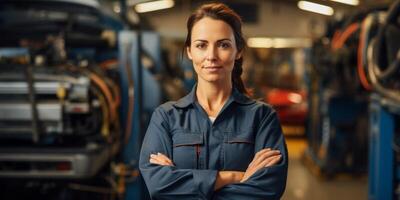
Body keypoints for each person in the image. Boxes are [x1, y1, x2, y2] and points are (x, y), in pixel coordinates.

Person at [139, 3, 288, 200]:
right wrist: (233, 177)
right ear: (190, 51)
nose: (211, 56)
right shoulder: (166, 117)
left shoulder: (262, 117)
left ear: (239, 51)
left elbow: (267, 190)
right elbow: (158, 186)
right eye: (201, 45)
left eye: (223, 45)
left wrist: (184, 187)